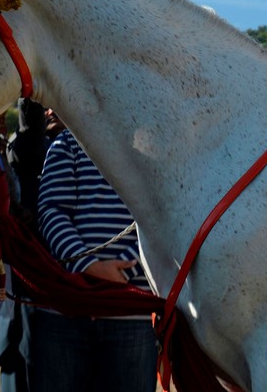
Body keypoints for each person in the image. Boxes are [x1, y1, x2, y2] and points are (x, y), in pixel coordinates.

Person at [27, 111, 158, 392]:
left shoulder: (155, 152)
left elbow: (163, 217)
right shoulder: (68, 142)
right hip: (66, 310)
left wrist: (123, 268)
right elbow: (51, 210)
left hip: (129, 311)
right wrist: (87, 266)